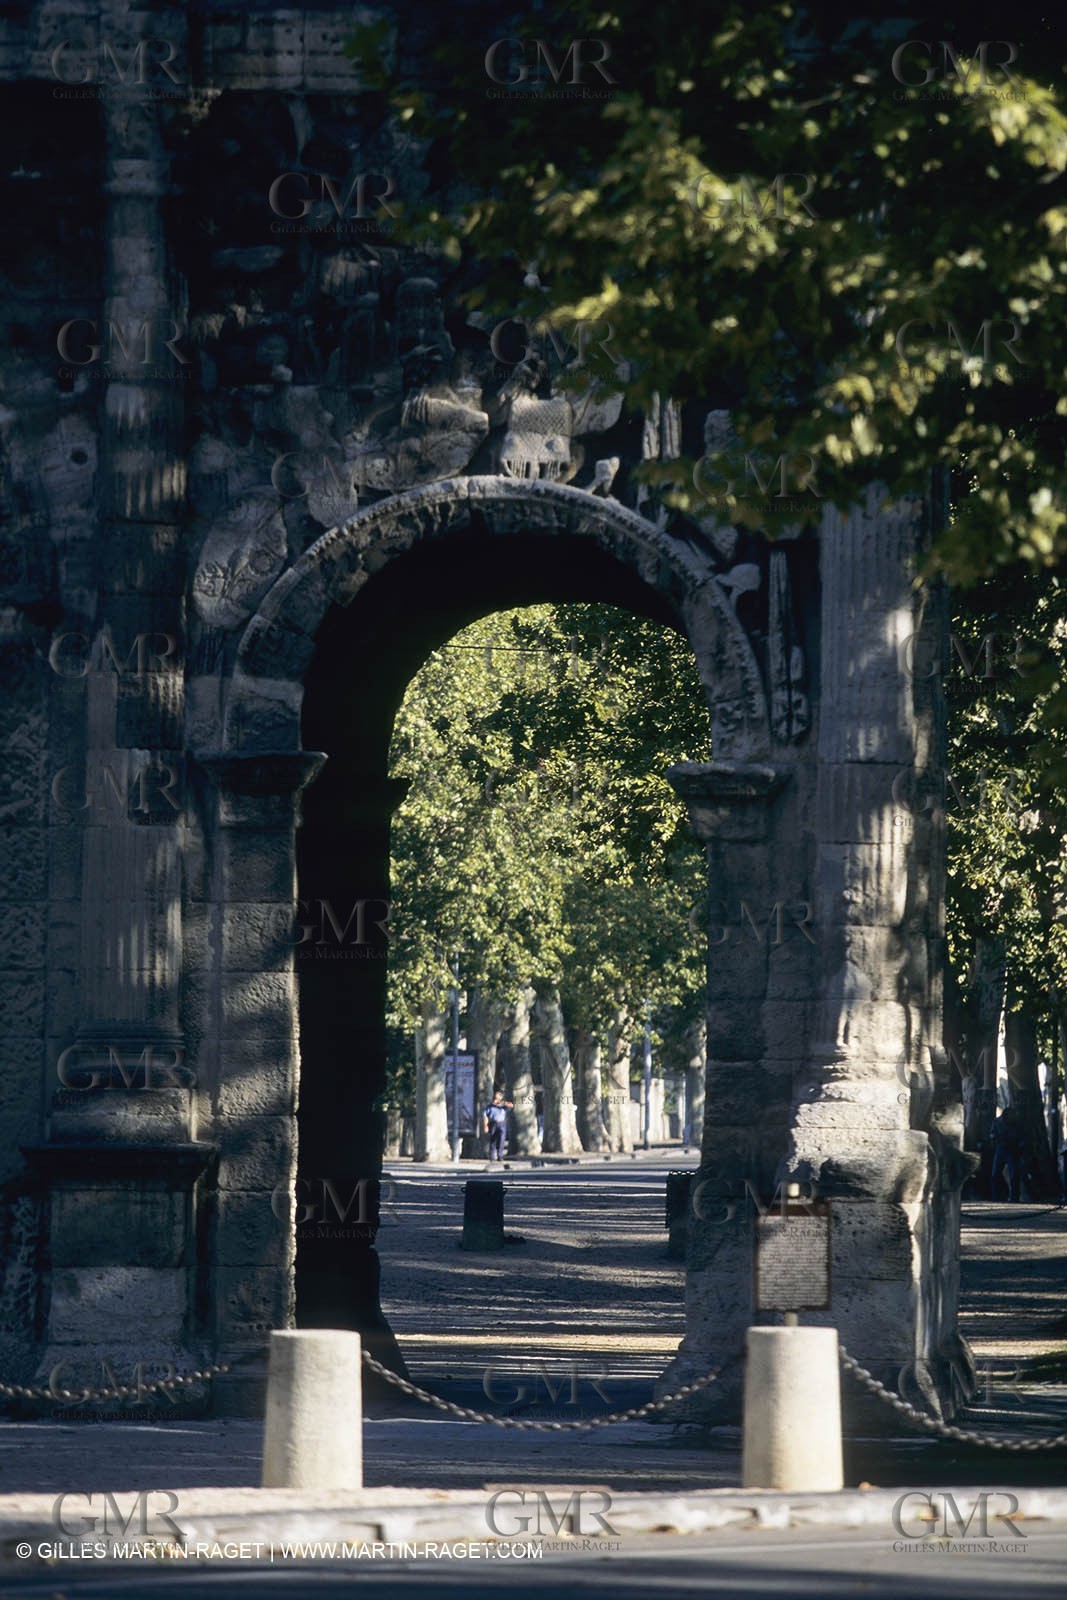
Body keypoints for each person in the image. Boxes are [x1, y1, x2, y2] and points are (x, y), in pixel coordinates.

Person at [990, 1106, 1022, 1202]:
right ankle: (996, 1196)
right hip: (1001, 1149)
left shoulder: (1017, 1123)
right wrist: (994, 1138)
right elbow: (992, 1133)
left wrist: (1020, 1147)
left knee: (1014, 1175)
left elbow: (1021, 1136)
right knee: (995, 1174)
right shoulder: (997, 1122)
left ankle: (1014, 1197)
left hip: (1012, 1150)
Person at [483, 1089, 513, 1162]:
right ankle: (492, 1157)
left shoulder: (503, 1106)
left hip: (502, 1123)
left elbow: (511, 1105)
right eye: (494, 1098)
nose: (494, 1100)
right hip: (493, 1123)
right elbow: (485, 1116)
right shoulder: (489, 1107)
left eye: (496, 1098)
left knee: (501, 1140)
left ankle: (500, 1156)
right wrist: (485, 1126)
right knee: (493, 1140)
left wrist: (501, 1103)